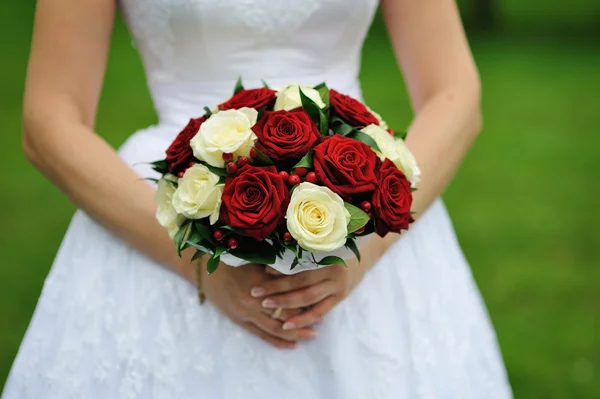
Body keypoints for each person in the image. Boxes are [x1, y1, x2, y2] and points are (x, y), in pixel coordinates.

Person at [2, 0, 513, 398]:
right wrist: (196, 263)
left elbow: (455, 94)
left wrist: (367, 247)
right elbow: (49, 119)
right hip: (166, 208)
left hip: (361, 202)